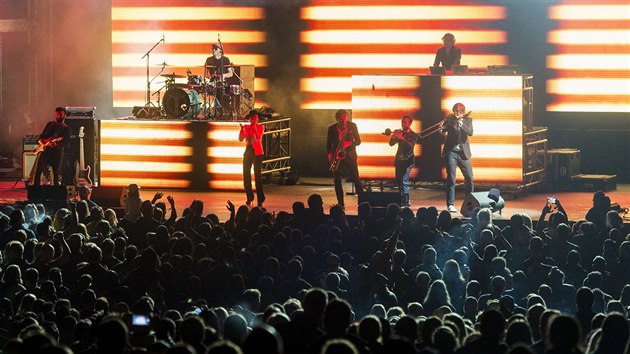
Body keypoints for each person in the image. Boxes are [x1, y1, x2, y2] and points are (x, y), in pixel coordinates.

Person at [441, 102, 473, 213]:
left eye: (457, 111)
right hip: (451, 152)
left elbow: (470, 132)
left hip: (463, 153)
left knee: (469, 177)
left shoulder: (468, 120)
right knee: (451, 178)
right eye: (454, 110)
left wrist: (461, 124)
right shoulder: (450, 118)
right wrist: (441, 129)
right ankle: (450, 204)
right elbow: (442, 131)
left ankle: (470, 204)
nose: (455, 113)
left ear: (462, 112)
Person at [327, 109, 363, 208]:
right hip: (338, 156)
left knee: (356, 178)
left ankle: (362, 202)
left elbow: (359, 141)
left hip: (350, 155)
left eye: (345, 119)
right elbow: (328, 144)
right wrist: (330, 155)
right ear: (337, 119)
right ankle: (340, 203)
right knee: (337, 181)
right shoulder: (332, 129)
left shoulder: (352, 126)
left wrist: (349, 143)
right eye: (341, 120)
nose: (344, 121)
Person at [33, 107, 71, 186]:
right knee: (38, 170)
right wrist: (41, 141)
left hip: (56, 153)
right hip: (45, 150)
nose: (58, 116)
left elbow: (66, 143)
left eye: (60, 114)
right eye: (57, 114)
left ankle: (56, 193)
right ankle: (35, 190)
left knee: (56, 173)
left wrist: (56, 144)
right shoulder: (50, 124)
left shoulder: (66, 128)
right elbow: (42, 136)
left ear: (65, 115)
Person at [388, 115, 418, 207]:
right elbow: (391, 144)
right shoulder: (400, 133)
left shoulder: (414, 134)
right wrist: (394, 136)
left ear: (410, 124)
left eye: (405, 122)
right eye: (402, 122)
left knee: (404, 180)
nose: (403, 124)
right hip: (399, 160)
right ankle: (402, 198)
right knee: (399, 181)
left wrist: (401, 138)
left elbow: (410, 146)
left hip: (408, 160)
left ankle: (406, 200)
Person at [239, 110, 265, 207]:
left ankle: (260, 199)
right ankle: (249, 197)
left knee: (257, 176)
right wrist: (242, 130)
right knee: (246, 174)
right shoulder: (246, 127)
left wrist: (254, 128)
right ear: (250, 119)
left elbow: (258, 138)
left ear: (258, 119)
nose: (254, 119)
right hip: (248, 151)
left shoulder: (260, 127)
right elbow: (241, 139)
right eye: (252, 117)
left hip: (257, 152)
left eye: (255, 117)